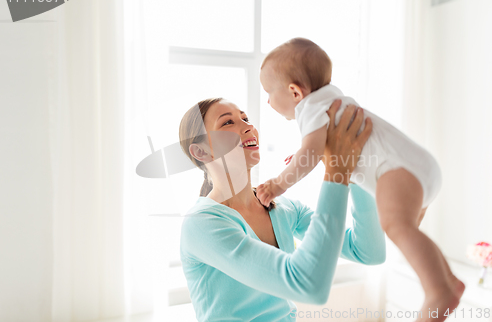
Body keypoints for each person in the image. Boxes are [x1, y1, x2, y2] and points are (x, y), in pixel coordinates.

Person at [257, 37, 464, 321]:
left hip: (399, 171)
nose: (267, 101)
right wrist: (302, 154)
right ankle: (447, 278)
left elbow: (313, 153)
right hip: (418, 169)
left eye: (268, 92)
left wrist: (278, 183)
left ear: (294, 92)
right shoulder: (331, 100)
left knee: (395, 225)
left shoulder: (309, 109)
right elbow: (318, 148)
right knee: (407, 232)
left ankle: (438, 288)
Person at [178, 96, 385, 322]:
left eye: (245, 118)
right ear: (201, 152)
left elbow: (369, 252)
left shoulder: (283, 208)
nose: (248, 126)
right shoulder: (201, 224)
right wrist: (337, 173)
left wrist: (354, 172)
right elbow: (308, 286)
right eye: (228, 123)